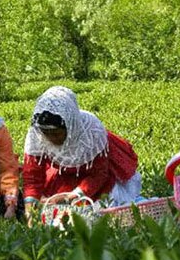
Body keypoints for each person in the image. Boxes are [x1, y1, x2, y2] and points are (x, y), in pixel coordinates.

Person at [22, 86, 140, 217]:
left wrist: (73, 196)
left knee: (101, 214)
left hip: (94, 180)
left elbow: (98, 174)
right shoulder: (36, 136)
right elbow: (32, 176)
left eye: (56, 134)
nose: (51, 139)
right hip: (63, 175)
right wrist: (30, 208)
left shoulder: (92, 133)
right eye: (46, 134)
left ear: (70, 126)